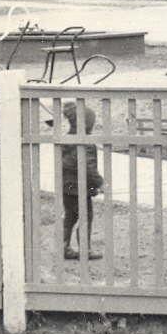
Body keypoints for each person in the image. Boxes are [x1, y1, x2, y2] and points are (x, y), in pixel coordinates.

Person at [58, 103, 104, 262]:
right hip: (80, 189)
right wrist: (100, 183)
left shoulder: (66, 139)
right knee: (86, 218)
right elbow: (88, 167)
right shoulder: (86, 143)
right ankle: (85, 250)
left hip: (66, 187)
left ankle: (64, 248)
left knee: (70, 218)